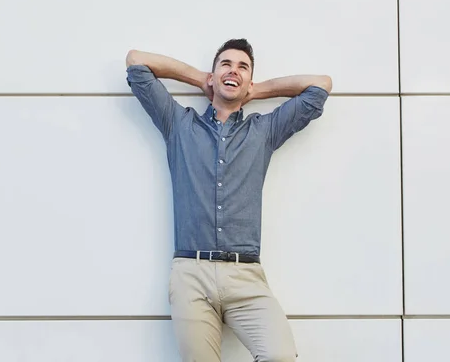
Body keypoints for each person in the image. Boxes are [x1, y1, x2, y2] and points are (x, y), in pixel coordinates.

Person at [125, 39, 332, 362]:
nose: (233, 71)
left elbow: (320, 87)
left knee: (279, 356)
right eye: (226, 65)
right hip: (191, 274)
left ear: (249, 79)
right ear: (214, 72)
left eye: (242, 68)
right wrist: (201, 79)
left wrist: (257, 90)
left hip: (245, 276)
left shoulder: (263, 131)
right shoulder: (179, 125)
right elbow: (136, 63)